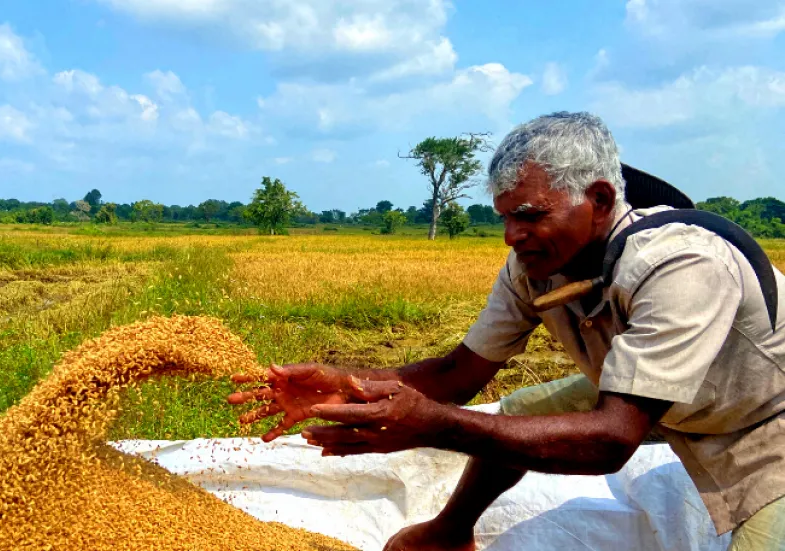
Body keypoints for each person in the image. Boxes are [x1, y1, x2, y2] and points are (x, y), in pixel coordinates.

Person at [227, 112, 785, 551]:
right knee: (522, 412)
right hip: (668, 395)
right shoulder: (533, 267)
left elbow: (614, 439)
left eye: (529, 215)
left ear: (599, 200)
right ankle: (448, 534)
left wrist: (431, 425)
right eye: (504, 217)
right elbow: (457, 373)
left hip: (764, 418)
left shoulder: (680, 264)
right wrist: (345, 381)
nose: (511, 235)